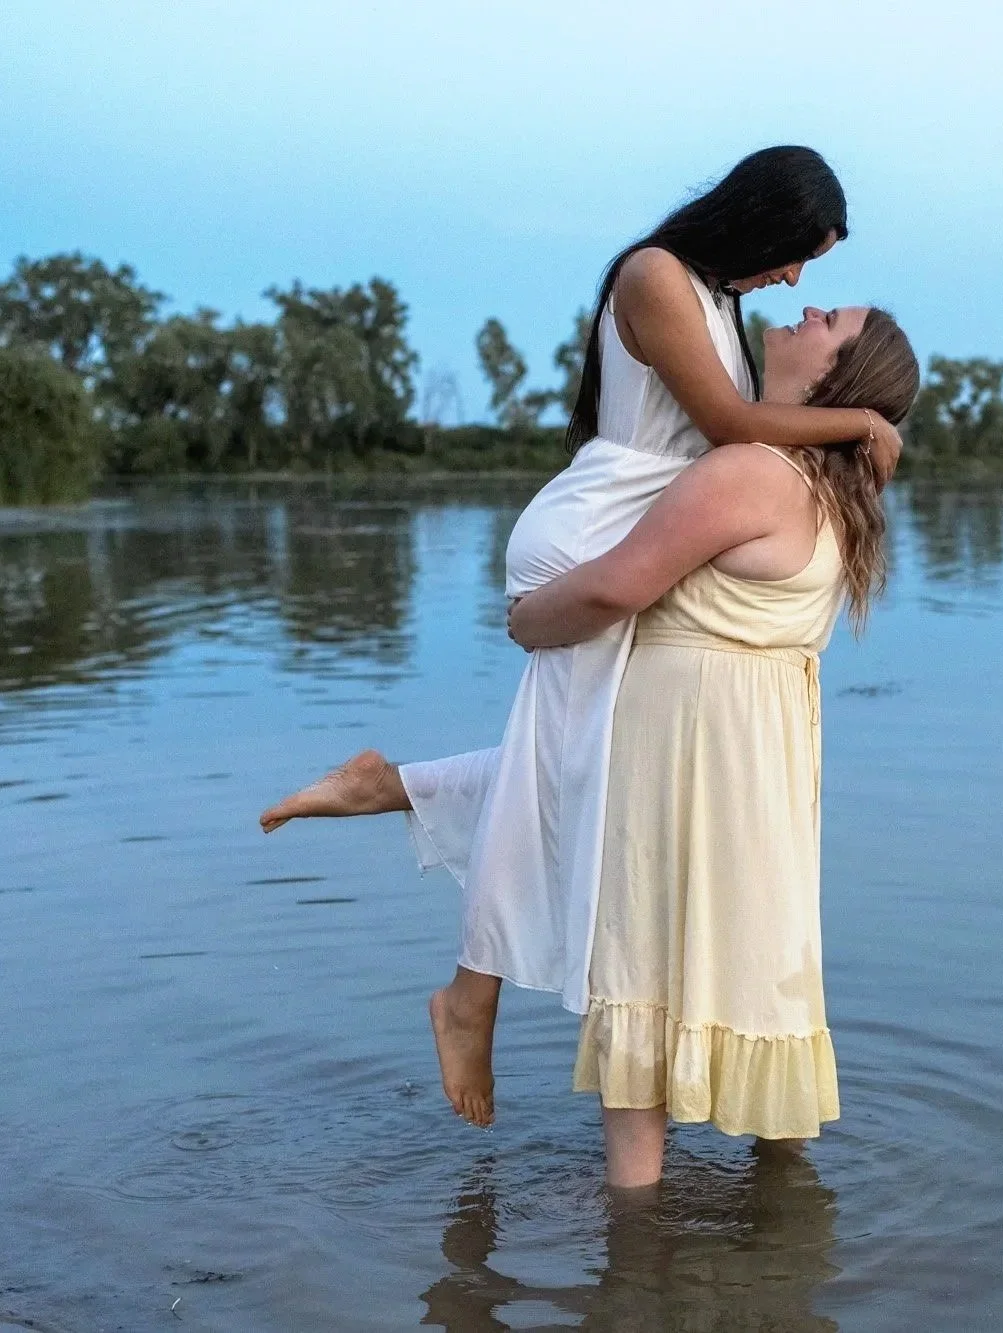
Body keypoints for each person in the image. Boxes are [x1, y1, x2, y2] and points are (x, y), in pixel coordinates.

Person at [258, 146, 903, 1128]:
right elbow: (733, 423)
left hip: (636, 523)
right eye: (795, 256)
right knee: (579, 773)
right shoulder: (655, 276)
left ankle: (397, 801)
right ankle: (467, 994)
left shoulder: (718, 301)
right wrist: (861, 417)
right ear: (761, 218)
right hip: (595, 533)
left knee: (583, 769)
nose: (795, 282)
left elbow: (741, 437)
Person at [510, 303, 918, 1186]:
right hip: (758, 749)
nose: (808, 306)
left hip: (691, 745)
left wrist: (524, 618)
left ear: (834, 375)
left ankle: (635, 1238)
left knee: (650, 956)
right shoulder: (829, 489)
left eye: (832, 319)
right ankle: (784, 1212)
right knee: (761, 957)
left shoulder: (749, 471)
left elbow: (618, 583)